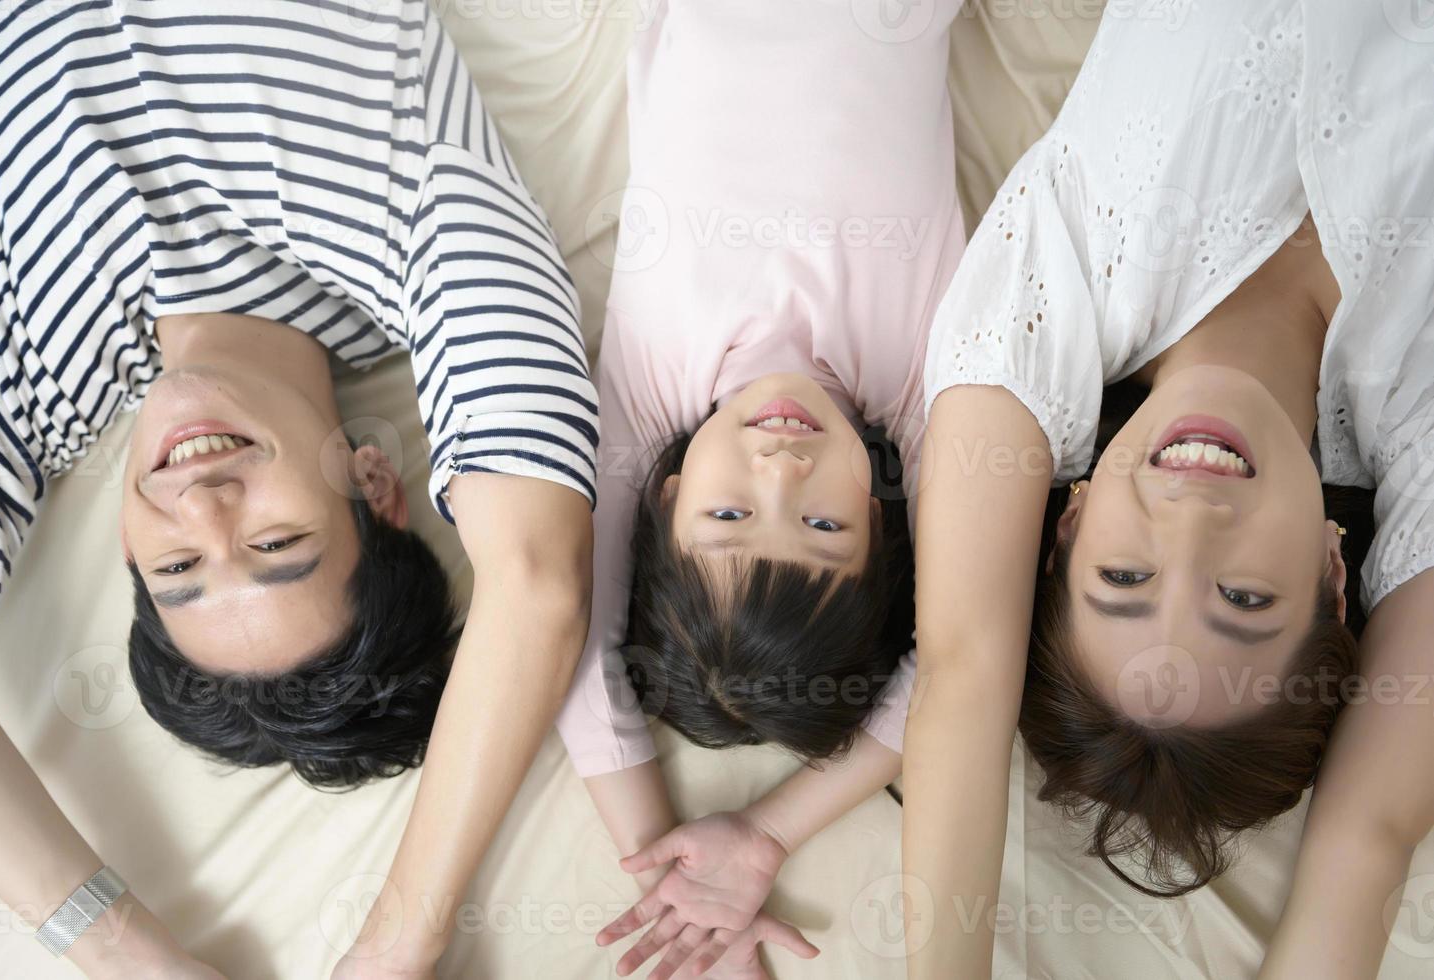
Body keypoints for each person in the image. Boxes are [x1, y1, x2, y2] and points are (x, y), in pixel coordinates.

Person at [0, 1, 595, 975]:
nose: (204, 505)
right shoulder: (415, 225)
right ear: (375, 480)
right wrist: (398, 939)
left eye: (178, 565)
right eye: (273, 544)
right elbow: (538, 581)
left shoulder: (21, 387)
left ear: (125, 546)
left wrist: (136, 958)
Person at [900, 1, 1433, 975]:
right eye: (1244, 598)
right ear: (1332, 571)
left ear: (1065, 521)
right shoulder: (1420, 407)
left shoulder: (1057, 287)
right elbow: (1368, 838)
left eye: (1124, 575)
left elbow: (963, 669)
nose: (1190, 525)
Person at [555, 0, 966, 974]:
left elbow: (571, 649)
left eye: (730, 514)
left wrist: (670, 871)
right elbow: (954, 661)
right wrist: (769, 832)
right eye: (823, 521)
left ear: (664, 499)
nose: (780, 468)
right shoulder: (925, 381)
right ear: (878, 513)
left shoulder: (656, 385)